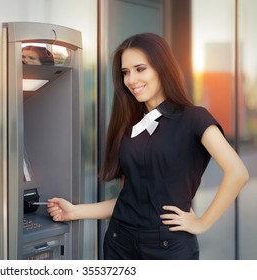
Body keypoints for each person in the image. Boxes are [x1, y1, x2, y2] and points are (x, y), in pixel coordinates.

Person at [47, 33, 249, 260]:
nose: (131, 80)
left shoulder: (194, 118)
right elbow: (129, 200)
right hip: (119, 242)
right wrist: (75, 211)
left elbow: (237, 173)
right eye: (125, 72)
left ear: (162, 69)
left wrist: (202, 223)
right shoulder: (130, 126)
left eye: (140, 69)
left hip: (168, 248)